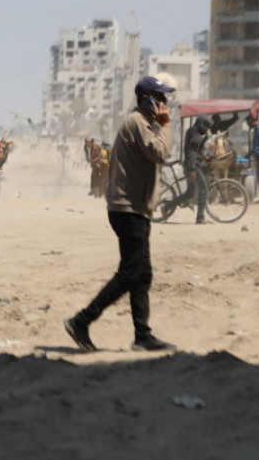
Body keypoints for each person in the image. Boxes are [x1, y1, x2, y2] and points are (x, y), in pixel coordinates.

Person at [65, 76, 177, 353]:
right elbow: (160, 152)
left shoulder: (144, 124)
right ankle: (82, 320)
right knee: (130, 272)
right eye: (160, 98)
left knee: (142, 273)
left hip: (135, 209)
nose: (165, 103)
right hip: (128, 209)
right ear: (146, 99)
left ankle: (143, 334)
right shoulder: (138, 123)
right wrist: (166, 126)